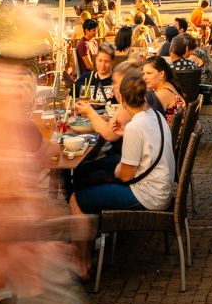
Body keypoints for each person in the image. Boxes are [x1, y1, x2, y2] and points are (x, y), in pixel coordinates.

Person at [71, 68, 174, 217]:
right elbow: (150, 139)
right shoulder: (155, 114)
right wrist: (125, 133)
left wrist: (118, 168)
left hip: (149, 196)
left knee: (77, 198)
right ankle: (100, 223)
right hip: (160, 189)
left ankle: (92, 228)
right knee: (98, 175)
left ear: (122, 99)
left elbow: (125, 176)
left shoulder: (135, 127)